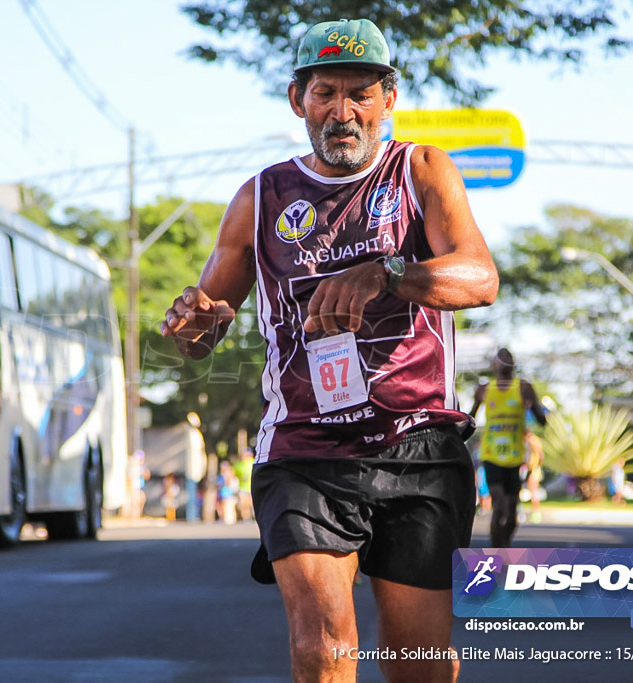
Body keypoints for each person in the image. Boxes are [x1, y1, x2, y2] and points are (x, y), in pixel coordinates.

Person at [160, 17, 498, 682]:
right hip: (305, 448)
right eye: (325, 94)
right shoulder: (260, 198)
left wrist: (391, 273)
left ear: (389, 100)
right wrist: (192, 324)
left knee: (416, 663)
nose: (342, 113)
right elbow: (205, 327)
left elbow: (480, 278)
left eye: (359, 94)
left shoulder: (420, 170)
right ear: (298, 101)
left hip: (417, 443)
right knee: (323, 646)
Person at [468, 348, 546, 547]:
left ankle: (504, 544)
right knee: (499, 504)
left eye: (508, 357)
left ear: (513, 363)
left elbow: (541, 419)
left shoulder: (523, 387)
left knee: (511, 511)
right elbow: (470, 417)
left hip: (514, 455)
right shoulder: (484, 389)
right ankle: (497, 552)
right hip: (491, 454)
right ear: (493, 364)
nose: (504, 361)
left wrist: (535, 408)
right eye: (500, 357)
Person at [184, 412, 207, 522]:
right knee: (192, 494)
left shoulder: (194, 434)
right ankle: (192, 516)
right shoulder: (192, 434)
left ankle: (193, 515)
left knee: (194, 494)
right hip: (192, 469)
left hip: (195, 468)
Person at [523, 428, 544, 522]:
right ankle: (533, 512)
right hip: (528, 468)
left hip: (533, 469)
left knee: (533, 491)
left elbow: (540, 454)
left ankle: (536, 513)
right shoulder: (526, 441)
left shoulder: (533, 440)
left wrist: (536, 466)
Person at [234, 448, 256, 521]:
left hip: (252, 487)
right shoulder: (238, 465)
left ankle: (253, 515)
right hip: (242, 488)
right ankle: (246, 517)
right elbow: (234, 474)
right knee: (243, 504)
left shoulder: (254, 462)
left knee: (251, 503)